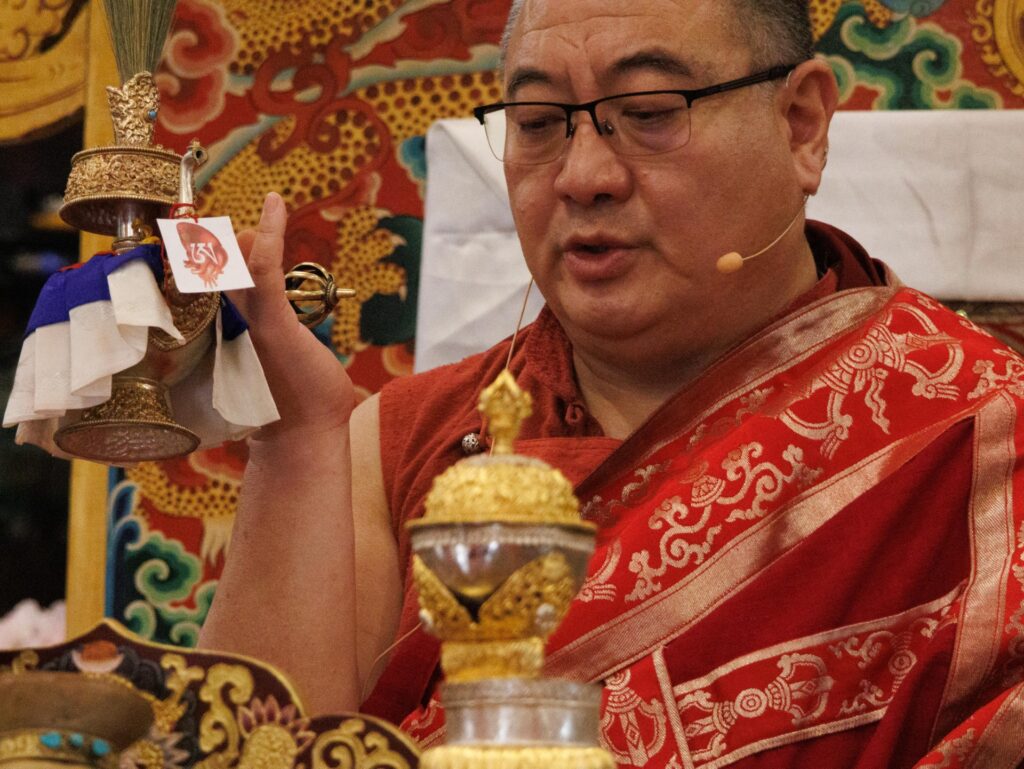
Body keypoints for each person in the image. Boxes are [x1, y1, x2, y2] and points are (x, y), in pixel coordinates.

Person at [200, 1, 1024, 766]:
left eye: (651, 113)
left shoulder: (979, 433)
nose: (583, 175)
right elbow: (256, 752)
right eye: (537, 123)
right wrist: (294, 438)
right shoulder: (400, 441)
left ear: (801, 125)